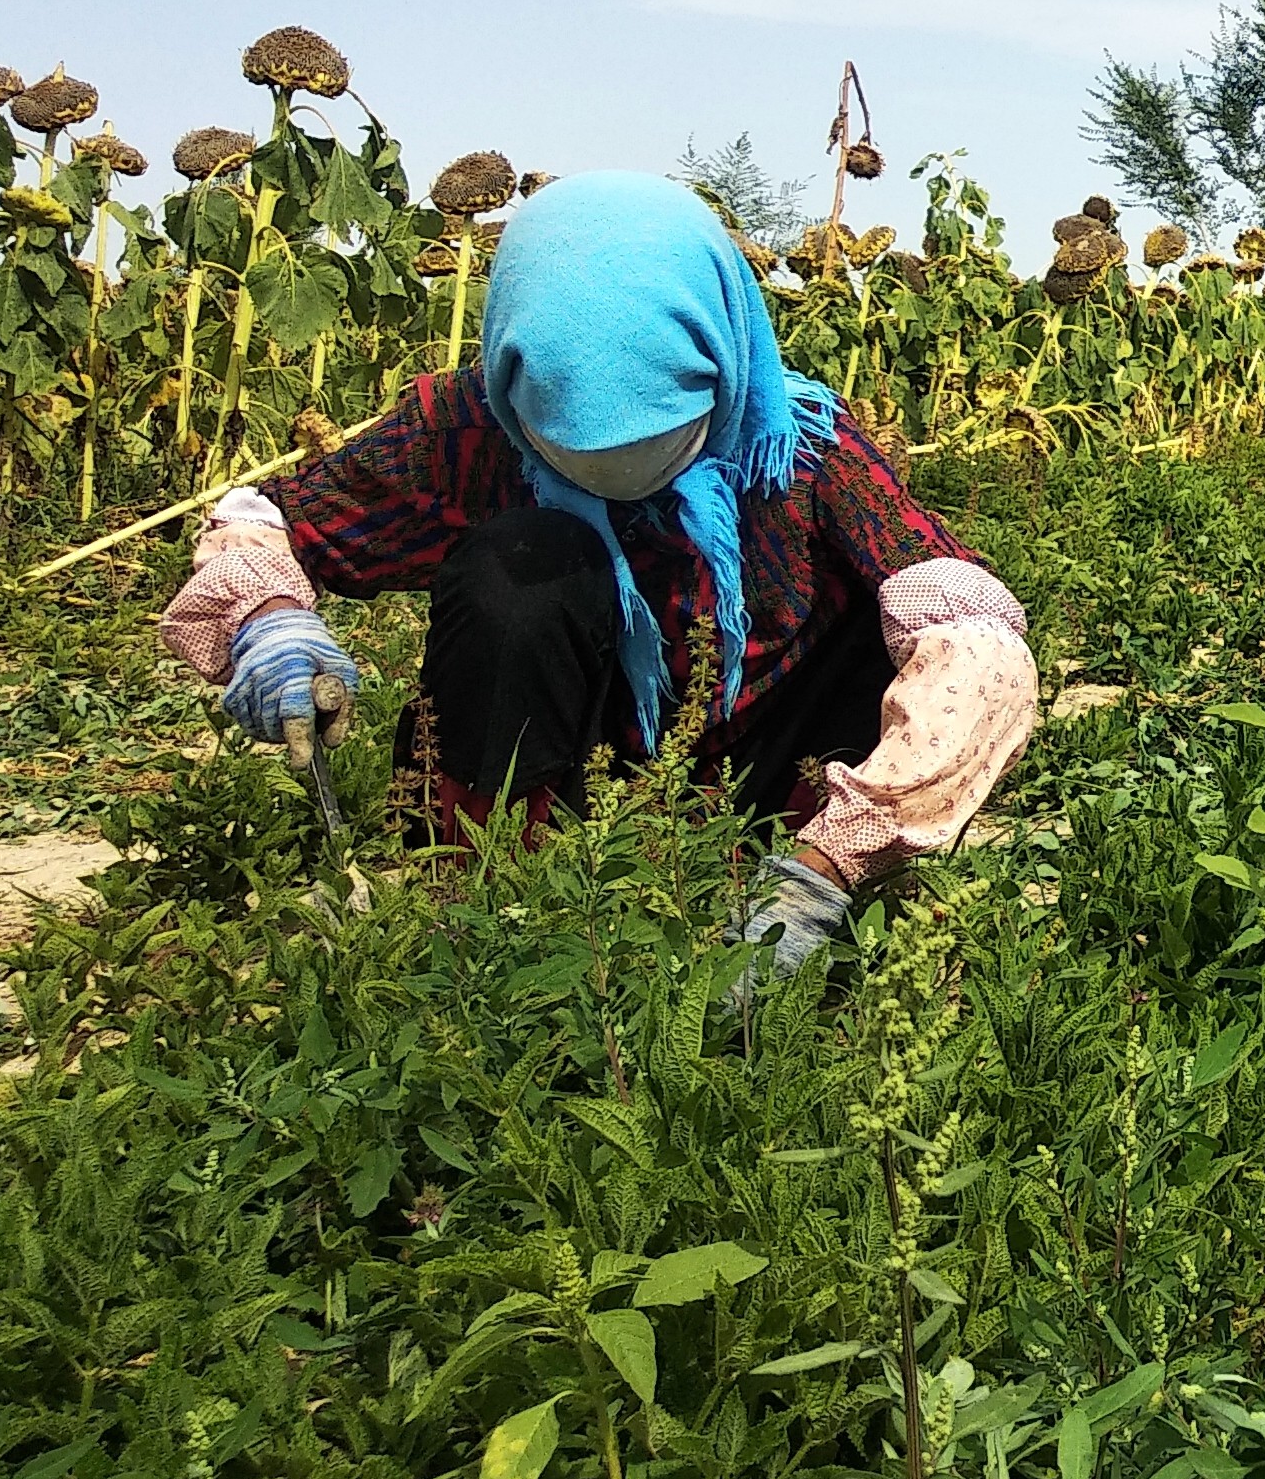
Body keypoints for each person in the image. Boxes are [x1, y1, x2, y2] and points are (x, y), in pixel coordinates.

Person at [161, 171, 1037, 985]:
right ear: (515, 392)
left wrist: (828, 866)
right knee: (519, 566)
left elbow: (974, 642)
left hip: (780, 791)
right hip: (580, 778)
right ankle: (491, 886)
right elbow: (274, 515)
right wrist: (268, 615)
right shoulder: (463, 432)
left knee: (893, 620)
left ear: (723, 369)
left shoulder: (800, 446)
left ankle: (809, 878)